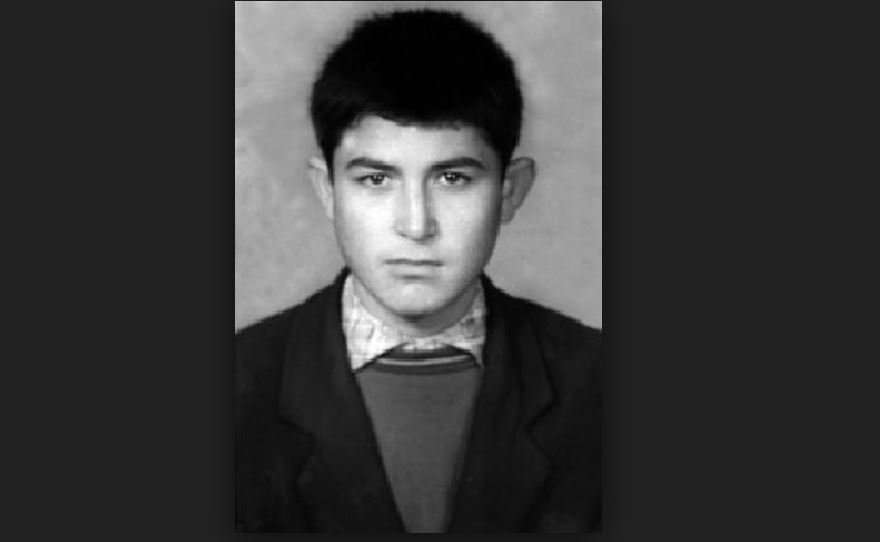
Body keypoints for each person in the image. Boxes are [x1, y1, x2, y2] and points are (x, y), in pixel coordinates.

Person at [235, 8, 602, 533]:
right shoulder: (235, 388)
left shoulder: (599, 386)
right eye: (376, 180)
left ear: (510, 192)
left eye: (452, 179)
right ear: (327, 190)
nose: (416, 224)